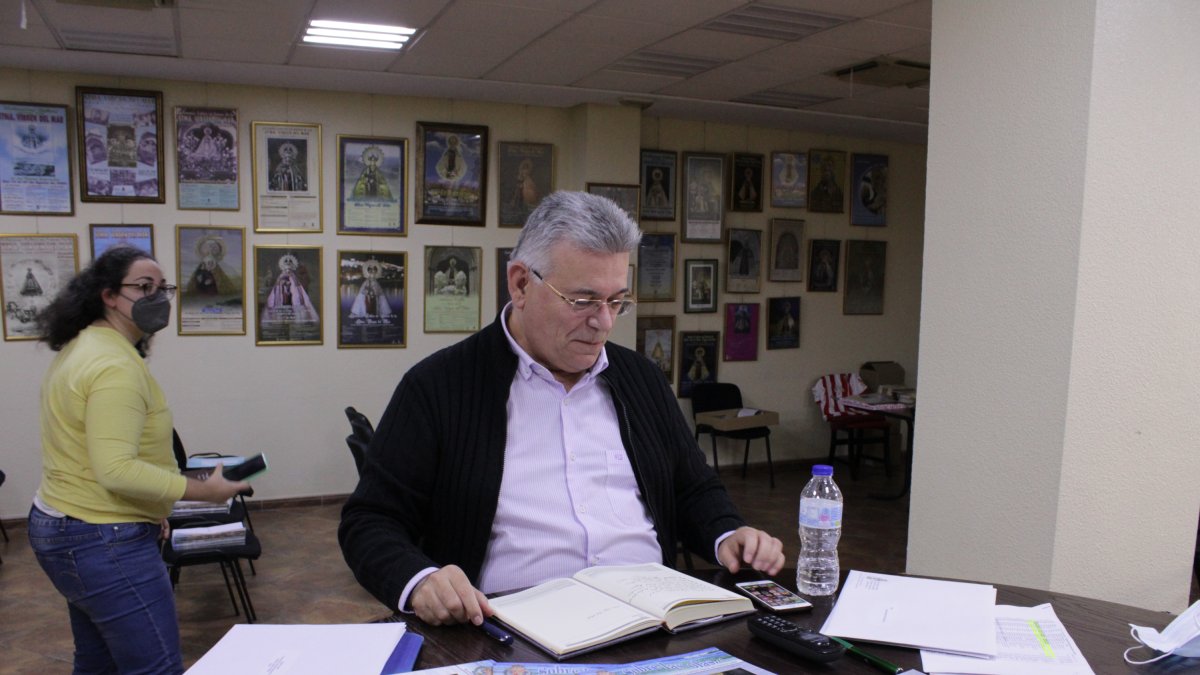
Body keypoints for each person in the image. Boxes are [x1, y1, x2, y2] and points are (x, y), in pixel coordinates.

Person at [339, 191, 784, 627]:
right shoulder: (437, 387)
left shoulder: (642, 380)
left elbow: (693, 488)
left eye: (617, 301)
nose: (604, 322)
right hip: (510, 632)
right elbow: (370, 521)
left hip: (650, 626)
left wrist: (728, 533)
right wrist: (421, 581)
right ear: (520, 284)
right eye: (583, 300)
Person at [27, 245, 249, 674]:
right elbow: (116, 469)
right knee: (156, 667)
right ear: (109, 295)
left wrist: (150, 509)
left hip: (68, 523)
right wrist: (206, 491)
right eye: (143, 287)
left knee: (98, 663)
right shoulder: (114, 366)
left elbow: (91, 454)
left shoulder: (83, 346)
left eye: (162, 288)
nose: (157, 298)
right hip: (101, 538)